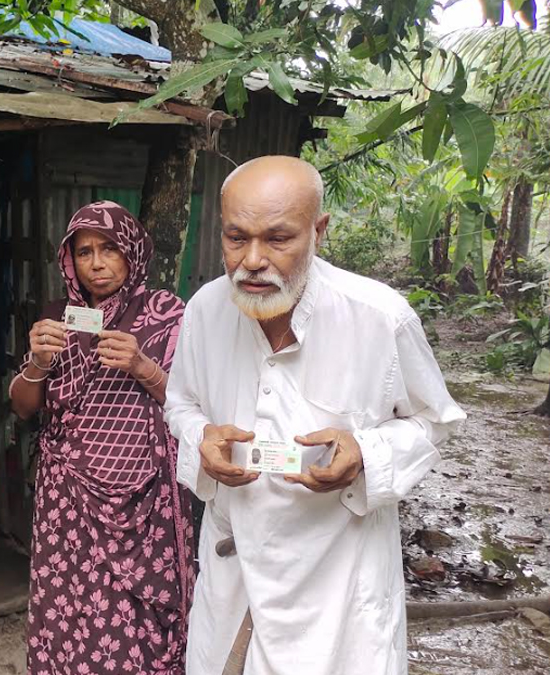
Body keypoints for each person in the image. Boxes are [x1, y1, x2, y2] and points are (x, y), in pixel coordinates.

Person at [164, 156, 465, 675]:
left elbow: (432, 421)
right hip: (234, 573)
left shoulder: (379, 317)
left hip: (337, 583)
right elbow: (181, 403)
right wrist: (201, 438)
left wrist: (366, 453)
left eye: (278, 239)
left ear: (318, 231)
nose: (252, 260)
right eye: (236, 238)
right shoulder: (206, 310)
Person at [11, 201, 195, 675]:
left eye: (109, 249)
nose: (96, 263)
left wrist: (142, 366)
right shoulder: (58, 320)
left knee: (138, 619)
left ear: (132, 253)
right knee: (71, 604)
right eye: (84, 252)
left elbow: (195, 407)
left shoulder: (167, 316)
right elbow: (24, 406)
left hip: (142, 503)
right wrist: (37, 363)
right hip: (67, 500)